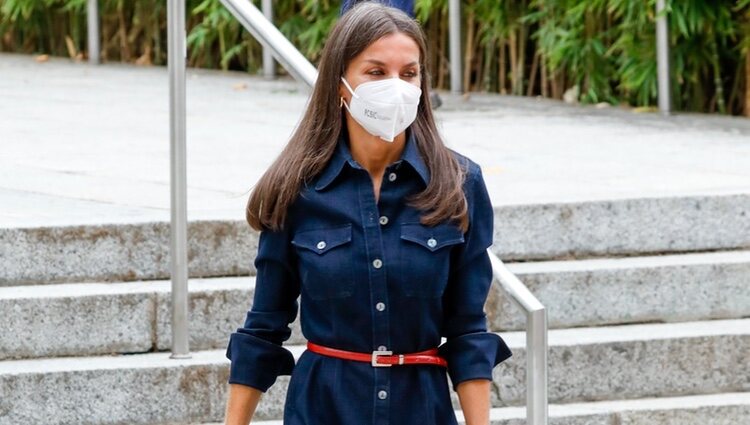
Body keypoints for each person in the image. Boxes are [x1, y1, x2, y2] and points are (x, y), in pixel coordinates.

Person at [223, 3, 511, 425]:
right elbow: (263, 329)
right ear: (341, 84)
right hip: (324, 408)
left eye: (409, 73)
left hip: (421, 409)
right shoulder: (297, 189)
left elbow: (469, 331)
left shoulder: (459, 183)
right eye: (376, 72)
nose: (396, 86)